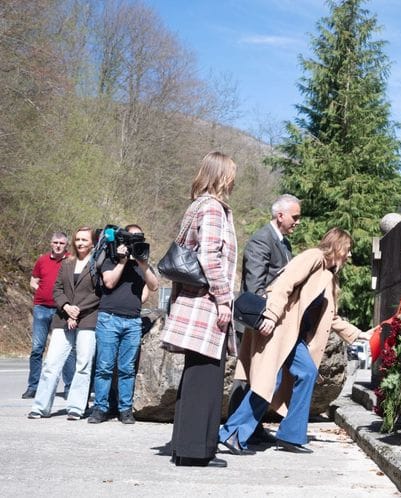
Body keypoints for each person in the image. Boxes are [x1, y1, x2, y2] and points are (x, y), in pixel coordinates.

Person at [219, 228, 372, 454]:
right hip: (278, 329)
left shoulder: (329, 275)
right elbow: (284, 284)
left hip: (293, 337)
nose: (349, 256)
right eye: (348, 250)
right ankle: (231, 432)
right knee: (269, 383)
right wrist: (270, 316)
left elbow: (332, 317)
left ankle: (290, 435)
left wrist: (358, 334)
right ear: (337, 246)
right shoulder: (313, 258)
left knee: (307, 373)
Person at [160, 151, 238, 468]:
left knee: (197, 375)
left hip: (194, 301)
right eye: (231, 173)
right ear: (221, 175)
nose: (234, 179)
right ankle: (194, 451)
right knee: (205, 376)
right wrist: (222, 298)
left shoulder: (198, 205)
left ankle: (188, 446)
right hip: (206, 304)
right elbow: (209, 257)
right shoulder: (214, 209)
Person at [227, 194, 301, 440]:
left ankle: (252, 428)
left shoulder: (283, 244)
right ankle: (234, 430)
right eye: (295, 217)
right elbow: (255, 285)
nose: (297, 222)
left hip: (271, 320)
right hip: (255, 320)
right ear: (280, 216)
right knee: (247, 374)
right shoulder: (262, 241)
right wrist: (264, 319)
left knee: (262, 376)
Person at [88, 224, 159, 425]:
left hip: (133, 321)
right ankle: (100, 408)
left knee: (127, 368)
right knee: (104, 367)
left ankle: (125, 409)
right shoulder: (111, 257)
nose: (133, 241)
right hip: (109, 318)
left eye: (138, 237)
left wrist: (143, 263)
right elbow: (109, 283)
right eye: (131, 237)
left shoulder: (141, 261)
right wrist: (121, 261)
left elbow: (154, 286)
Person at [28, 227, 100, 420]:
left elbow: (99, 293)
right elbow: (57, 289)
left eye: (84, 240)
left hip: (88, 319)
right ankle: (41, 407)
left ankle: (75, 408)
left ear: (92, 243)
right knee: (51, 363)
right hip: (62, 318)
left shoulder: (98, 264)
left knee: (83, 364)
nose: (80, 243)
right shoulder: (67, 263)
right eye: (77, 239)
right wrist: (67, 307)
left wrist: (77, 311)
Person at [23, 232, 76, 400]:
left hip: (62, 311)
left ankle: (69, 387)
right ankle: (33, 387)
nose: (58, 245)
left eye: (61, 243)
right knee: (37, 348)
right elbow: (33, 280)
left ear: (66, 245)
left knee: (67, 350)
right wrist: (40, 290)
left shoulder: (71, 261)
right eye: (55, 242)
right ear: (51, 243)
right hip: (41, 308)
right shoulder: (42, 260)